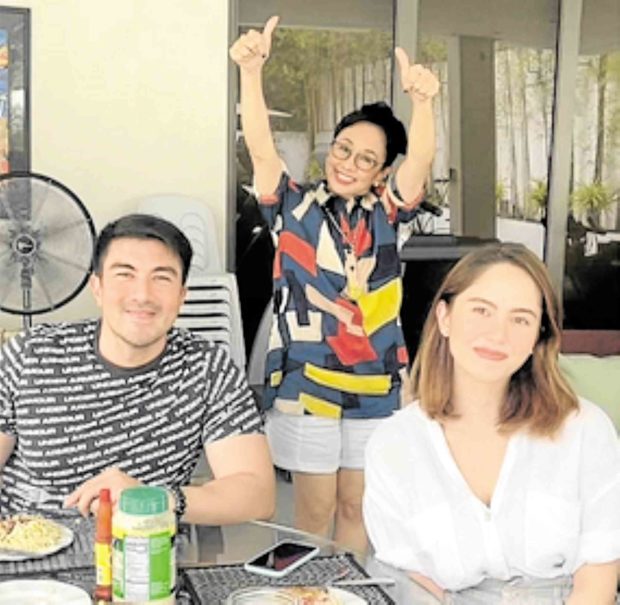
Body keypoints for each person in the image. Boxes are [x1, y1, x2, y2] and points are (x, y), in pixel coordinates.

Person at [229, 16, 439, 553]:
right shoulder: (293, 206)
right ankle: (296, 594)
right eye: (344, 148)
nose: (348, 163)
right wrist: (251, 75)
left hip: (378, 385)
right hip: (307, 381)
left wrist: (425, 104)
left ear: (381, 173)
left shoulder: (389, 216)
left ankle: (344, 592)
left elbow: (420, 163)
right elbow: (260, 148)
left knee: (358, 508)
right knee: (312, 514)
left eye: (366, 158)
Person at [363, 242, 620, 604]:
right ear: (444, 317)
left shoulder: (586, 430)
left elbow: (598, 578)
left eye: (520, 319)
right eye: (482, 310)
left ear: (538, 337)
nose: (498, 334)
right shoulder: (394, 444)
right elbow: (413, 585)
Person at [0, 214, 276, 525]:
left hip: (147, 558)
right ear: (98, 287)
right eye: (125, 275)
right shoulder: (31, 354)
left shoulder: (207, 368)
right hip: (28, 557)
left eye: (162, 278)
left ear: (182, 295)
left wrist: (154, 498)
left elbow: (256, 493)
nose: (142, 295)